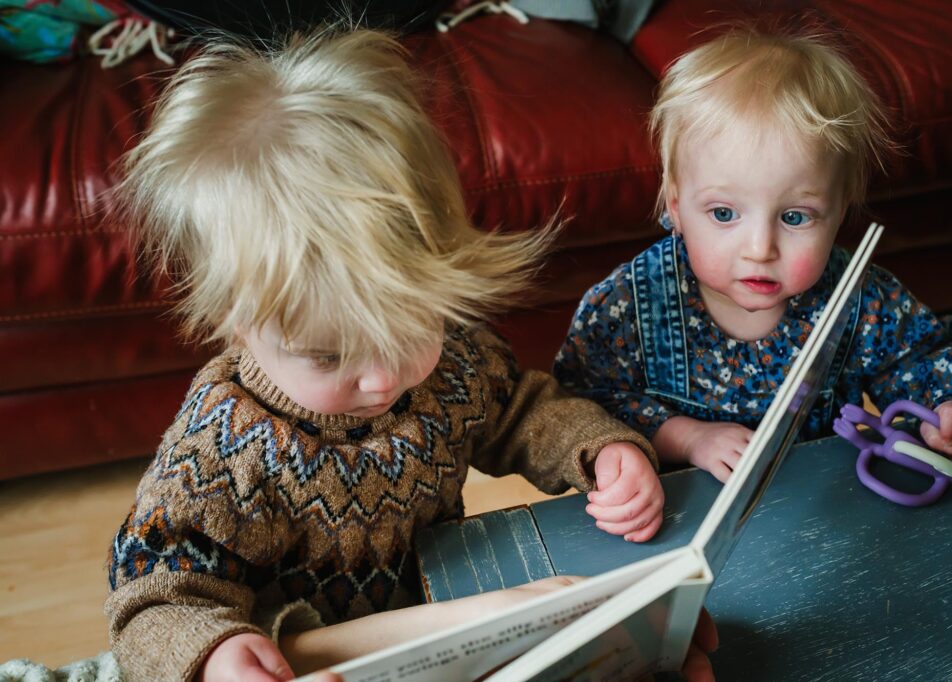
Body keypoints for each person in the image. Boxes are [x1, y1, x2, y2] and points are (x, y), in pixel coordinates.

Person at [104, 27, 672, 681]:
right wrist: (214, 655)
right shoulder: (221, 449)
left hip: (441, 633)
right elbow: (151, 598)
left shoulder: (457, 366)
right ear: (235, 322)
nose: (383, 377)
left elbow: (521, 411)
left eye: (409, 331)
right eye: (327, 357)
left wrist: (603, 451)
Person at [554, 28, 952, 484]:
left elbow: (922, 362)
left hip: (818, 505)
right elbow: (585, 406)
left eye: (794, 217)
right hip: (672, 508)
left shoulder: (860, 299)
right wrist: (690, 438)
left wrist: (950, 415)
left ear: (838, 212)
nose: (760, 249)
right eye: (724, 212)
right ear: (676, 206)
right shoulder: (631, 303)